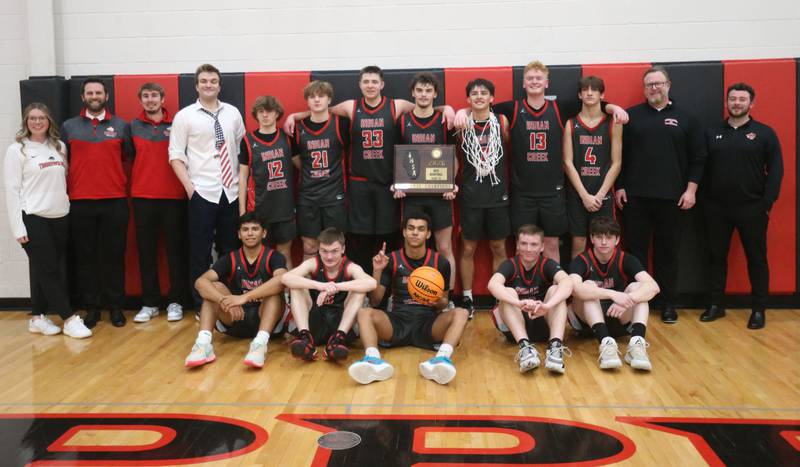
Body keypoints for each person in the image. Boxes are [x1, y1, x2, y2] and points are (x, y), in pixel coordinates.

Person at [455, 61, 628, 264]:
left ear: (547, 82)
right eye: (530, 78)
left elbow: (592, 103)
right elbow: (481, 107)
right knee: (523, 244)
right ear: (523, 84)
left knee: (552, 244)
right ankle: (523, 289)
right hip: (522, 192)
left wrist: (613, 106)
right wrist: (461, 112)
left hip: (553, 192)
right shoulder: (512, 108)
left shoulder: (560, 107)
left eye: (538, 78)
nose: (534, 81)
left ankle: (552, 291)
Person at [285, 66, 454, 274]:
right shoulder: (350, 106)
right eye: (366, 82)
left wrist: (447, 108)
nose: (370, 85)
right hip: (359, 184)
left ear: (382, 84)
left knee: (387, 237)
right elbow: (322, 110)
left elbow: (425, 107)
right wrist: (295, 115)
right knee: (360, 239)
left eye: (374, 81)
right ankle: (361, 284)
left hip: (387, 182)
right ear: (360, 85)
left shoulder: (396, 105)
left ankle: (385, 288)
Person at [615, 65, 706, 323]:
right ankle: (639, 302)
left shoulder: (687, 119)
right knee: (636, 253)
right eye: (649, 84)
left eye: (658, 83)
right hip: (635, 198)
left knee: (668, 253)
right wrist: (620, 185)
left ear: (668, 85)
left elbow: (698, 158)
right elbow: (619, 156)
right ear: (644, 89)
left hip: (672, 199)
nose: (654, 88)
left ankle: (668, 303)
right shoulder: (632, 117)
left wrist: (691, 190)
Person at [348, 214, 469, 385]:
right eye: (411, 228)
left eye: (421, 229)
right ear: (404, 232)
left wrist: (436, 300)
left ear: (427, 234)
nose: (415, 233)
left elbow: (444, 302)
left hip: (428, 322)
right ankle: (373, 361)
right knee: (364, 312)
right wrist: (377, 271)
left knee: (462, 313)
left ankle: (441, 359)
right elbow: (375, 301)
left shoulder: (440, 262)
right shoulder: (391, 260)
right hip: (397, 321)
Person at [700, 82, 783, 329]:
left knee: (756, 258)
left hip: (752, 207)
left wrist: (766, 203)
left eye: (742, 99)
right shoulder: (712, 132)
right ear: (726, 102)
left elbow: (776, 171)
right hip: (716, 207)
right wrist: (705, 199)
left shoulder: (765, 133)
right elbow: (700, 167)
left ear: (751, 103)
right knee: (716, 257)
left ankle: (758, 309)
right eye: (732, 99)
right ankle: (716, 304)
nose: (736, 103)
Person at [4, 103, 92, 339]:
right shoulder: (17, 150)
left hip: (60, 216)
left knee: (45, 269)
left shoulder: (59, 146)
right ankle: (70, 318)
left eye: (42, 117)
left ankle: (37, 317)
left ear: (49, 121)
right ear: (26, 122)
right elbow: (11, 190)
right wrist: (17, 226)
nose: (37, 122)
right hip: (33, 217)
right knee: (49, 270)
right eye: (32, 118)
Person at [169, 63, 246, 312]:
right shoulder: (185, 116)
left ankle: (229, 300)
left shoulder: (232, 113)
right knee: (200, 251)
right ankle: (202, 303)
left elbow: (240, 149)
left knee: (230, 250)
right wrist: (191, 190)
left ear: (219, 85)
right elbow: (175, 156)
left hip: (231, 191)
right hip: (202, 191)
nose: (208, 85)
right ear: (197, 85)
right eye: (204, 81)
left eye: (213, 81)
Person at [60, 77, 134, 328]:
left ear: (106, 96)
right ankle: (92, 308)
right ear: (83, 97)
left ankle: (115, 307)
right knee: (86, 258)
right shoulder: (69, 127)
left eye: (98, 92)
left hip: (114, 201)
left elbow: (129, 159)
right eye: (89, 93)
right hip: (80, 203)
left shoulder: (122, 126)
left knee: (114, 257)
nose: (94, 96)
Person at [185, 213, 288, 369]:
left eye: (255, 229)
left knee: (274, 294)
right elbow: (200, 282)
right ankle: (203, 344)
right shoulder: (230, 258)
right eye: (245, 229)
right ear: (239, 235)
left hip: (266, 318)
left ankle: (259, 345)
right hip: (236, 317)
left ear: (264, 233)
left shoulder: (274, 257)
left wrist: (245, 297)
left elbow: (281, 281)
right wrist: (223, 300)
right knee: (213, 288)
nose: (250, 233)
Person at [394, 73, 458, 304]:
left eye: (428, 90)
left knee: (444, 246)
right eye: (419, 90)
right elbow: (397, 156)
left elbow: (453, 157)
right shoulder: (402, 121)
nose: (423, 94)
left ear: (435, 94)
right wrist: (397, 184)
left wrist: (451, 183)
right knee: (412, 245)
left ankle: (447, 298)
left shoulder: (444, 120)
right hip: (412, 196)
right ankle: (408, 297)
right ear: (413, 93)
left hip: (440, 195)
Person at [130, 82, 189, 323]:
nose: (151, 100)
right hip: (143, 197)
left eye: (155, 95)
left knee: (176, 252)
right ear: (140, 100)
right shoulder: (132, 127)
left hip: (174, 197)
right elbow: (128, 157)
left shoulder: (177, 124)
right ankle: (150, 303)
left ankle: (176, 301)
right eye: (146, 96)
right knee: (146, 253)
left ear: (163, 99)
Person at [568, 217, 660, 371]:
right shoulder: (581, 260)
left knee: (638, 287)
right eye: (599, 237)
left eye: (609, 237)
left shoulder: (627, 259)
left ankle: (637, 345)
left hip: (618, 315)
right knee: (588, 287)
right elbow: (574, 289)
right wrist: (612, 294)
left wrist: (629, 298)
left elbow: (654, 287)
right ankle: (606, 343)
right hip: (587, 322)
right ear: (592, 238)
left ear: (617, 240)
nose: (604, 242)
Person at [487, 224, 573, 374]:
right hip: (514, 324)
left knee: (555, 290)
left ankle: (554, 347)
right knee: (508, 292)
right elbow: (492, 285)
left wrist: (547, 306)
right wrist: (518, 303)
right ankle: (525, 348)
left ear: (542, 247)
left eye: (533, 244)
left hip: (543, 321)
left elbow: (567, 282)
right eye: (524, 244)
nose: (528, 249)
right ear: (517, 245)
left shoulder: (547, 264)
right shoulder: (510, 265)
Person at [280, 227, 376, 361]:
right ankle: (305, 337)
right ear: (318, 249)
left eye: (334, 251)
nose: (329, 256)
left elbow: (372, 283)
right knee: (296, 286)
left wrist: (335, 287)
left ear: (343, 249)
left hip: (341, 322)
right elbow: (285, 278)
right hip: (314, 322)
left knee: (359, 289)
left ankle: (338, 339)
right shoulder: (313, 263)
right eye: (324, 251)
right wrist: (321, 286)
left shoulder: (350, 267)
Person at [457, 78, 510, 318]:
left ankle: (500, 298)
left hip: (497, 193)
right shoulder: (461, 123)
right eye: (474, 93)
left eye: (484, 93)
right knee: (468, 247)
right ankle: (467, 298)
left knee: (498, 246)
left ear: (492, 98)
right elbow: (454, 156)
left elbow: (507, 148)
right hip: (471, 194)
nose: (479, 96)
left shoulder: (501, 122)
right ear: (468, 99)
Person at [563, 76, 622, 258]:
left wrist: (600, 195)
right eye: (585, 90)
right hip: (578, 193)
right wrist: (584, 195)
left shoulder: (613, 123)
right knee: (578, 242)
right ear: (579, 95)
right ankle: (575, 286)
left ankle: (605, 284)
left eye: (594, 90)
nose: (589, 93)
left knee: (605, 240)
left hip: (602, 193)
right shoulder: (571, 124)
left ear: (602, 94)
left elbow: (617, 162)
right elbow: (567, 162)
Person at [291, 81, 349, 260]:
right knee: (309, 246)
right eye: (312, 96)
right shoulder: (298, 128)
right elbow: (295, 159)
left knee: (335, 245)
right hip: (308, 196)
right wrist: (312, 172)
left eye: (321, 96)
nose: (316, 100)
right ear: (307, 101)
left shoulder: (341, 124)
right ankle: (308, 288)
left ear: (329, 99)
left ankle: (338, 287)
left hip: (334, 195)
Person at [238, 95, 296, 269]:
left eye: (269, 111)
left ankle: (288, 296)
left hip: (284, 208)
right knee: (261, 256)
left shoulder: (287, 138)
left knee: (285, 254)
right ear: (255, 114)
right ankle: (263, 295)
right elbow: (242, 177)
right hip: (259, 209)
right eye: (261, 111)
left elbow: (301, 165)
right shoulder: (247, 141)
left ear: (277, 113)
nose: (265, 115)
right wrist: (242, 211)